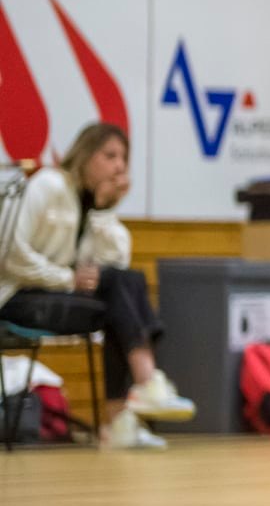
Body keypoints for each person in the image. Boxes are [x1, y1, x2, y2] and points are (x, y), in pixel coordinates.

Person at [0, 123, 194, 449]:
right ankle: (146, 384)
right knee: (119, 288)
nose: (119, 166)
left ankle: (119, 426)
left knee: (121, 292)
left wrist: (104, 211)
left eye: (124, 159)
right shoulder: (48, 185)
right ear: (86, 155)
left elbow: (114, 264)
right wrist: (65, 278)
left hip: (51, 296)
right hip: (14, 297)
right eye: (110, 156)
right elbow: (9, 254)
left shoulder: (87, 205)